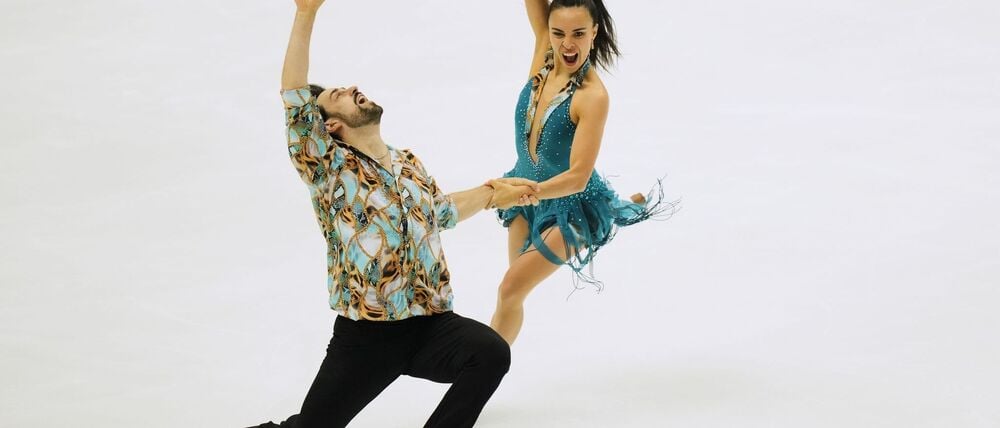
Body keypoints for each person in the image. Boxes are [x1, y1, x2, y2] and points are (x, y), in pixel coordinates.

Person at [249, 1, 541, 427]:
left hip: (430, 325)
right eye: (338, 96)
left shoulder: (407, 163)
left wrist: (493, 192)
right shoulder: (330, 169)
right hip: (368, 336)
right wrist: (305, 13)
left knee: (491, 352)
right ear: (330, 127)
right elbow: (295, 101)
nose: (350, 87)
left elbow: (440, 211)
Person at [488, 0, 677, 345]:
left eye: (578, 33)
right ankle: (621, 205)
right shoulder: (545, 52)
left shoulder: (592, 97)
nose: (567, 44)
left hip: (570, 208)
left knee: (509, 289)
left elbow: (576, 176)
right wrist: (521, 192)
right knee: (511, 291)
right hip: (525, 192)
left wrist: (521, 192)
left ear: (595, 32)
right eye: (558, 33)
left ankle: (479, 374)